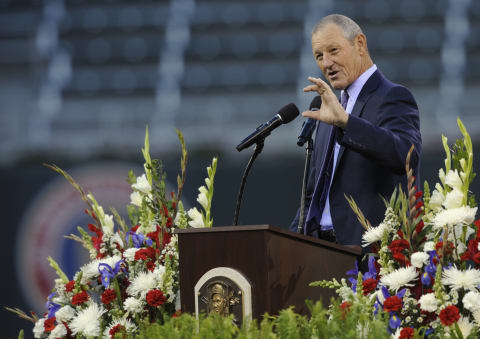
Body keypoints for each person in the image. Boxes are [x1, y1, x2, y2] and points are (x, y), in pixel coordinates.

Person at [290, 14, 421, 253]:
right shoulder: (327, 107)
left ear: (360, 44)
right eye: (319, 56)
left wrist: (347, 123)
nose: (326, 63)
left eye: (333, 50)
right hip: (319, 252)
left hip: (371, 254)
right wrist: (289, 243)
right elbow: (313, 194)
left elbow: (406, 156)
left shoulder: (392, 97)